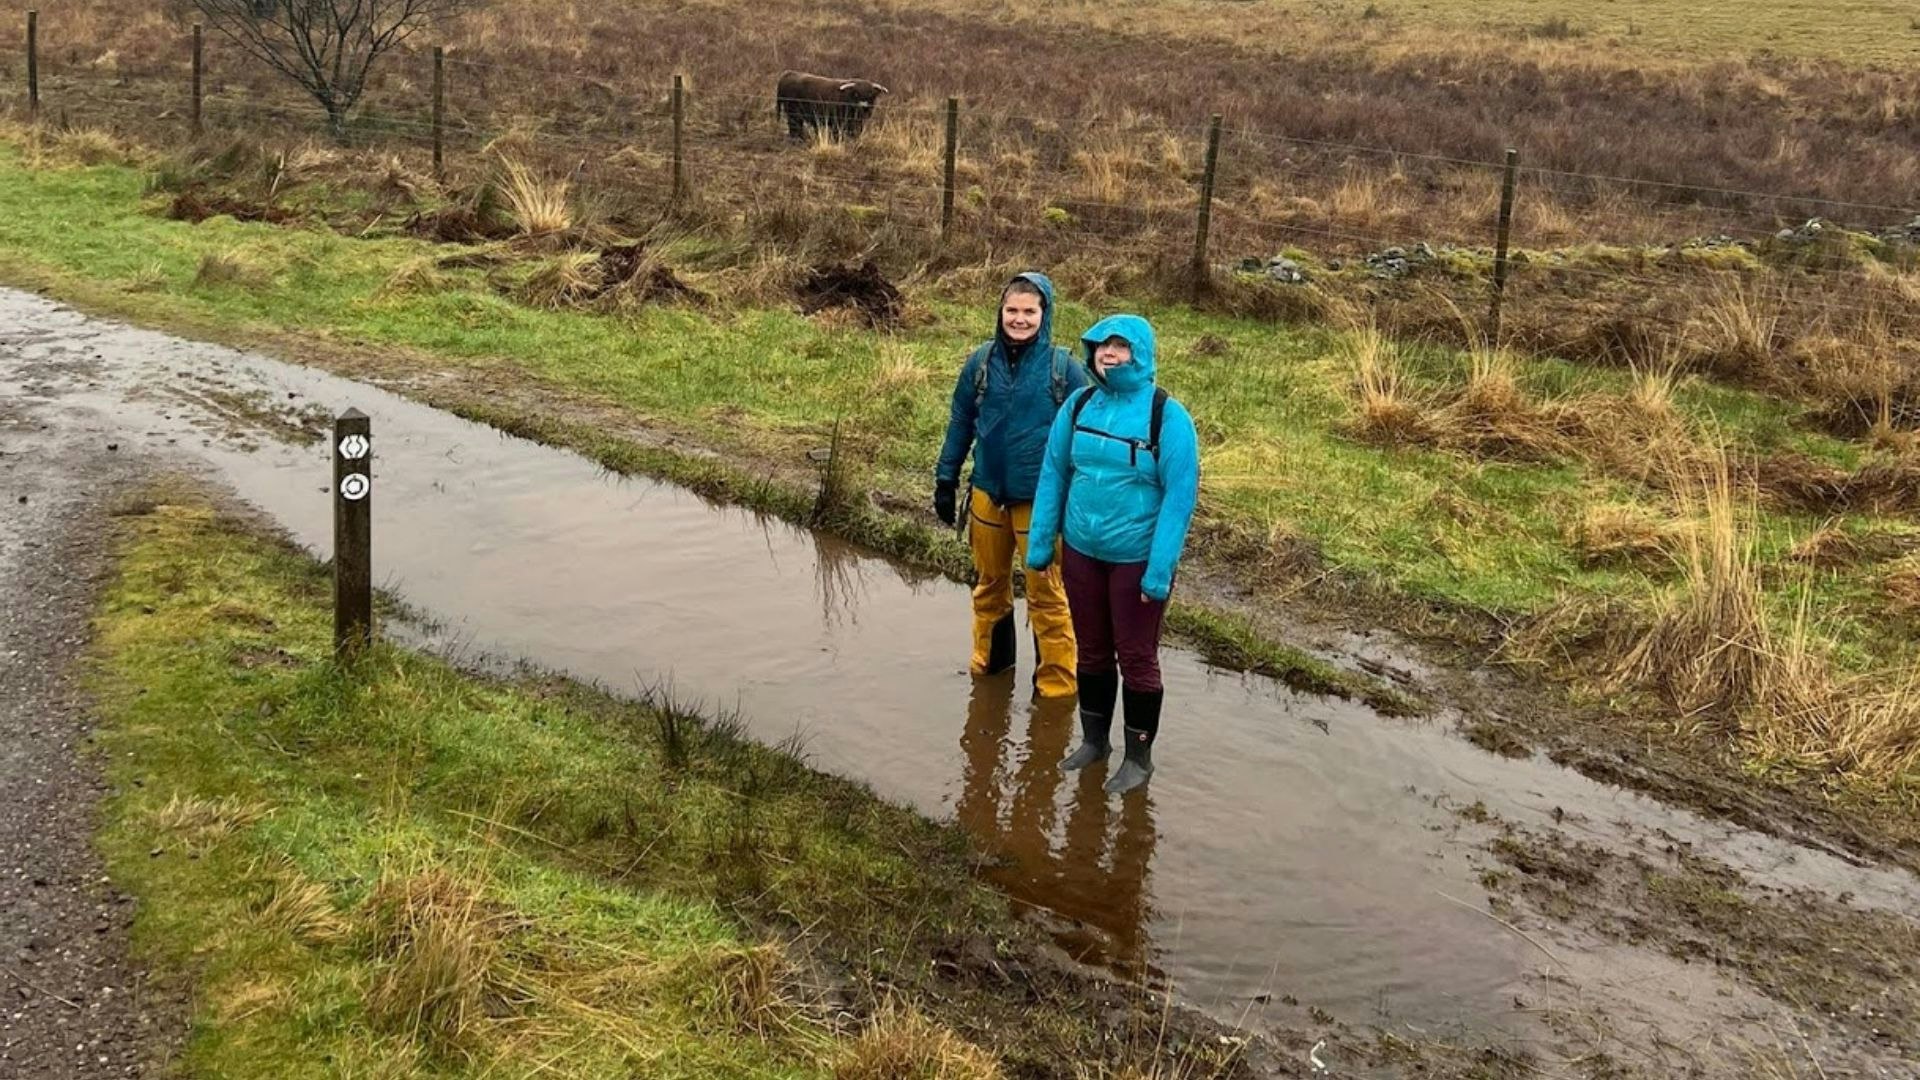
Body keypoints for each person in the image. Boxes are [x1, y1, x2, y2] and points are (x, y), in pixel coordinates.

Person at [1026, 315, 1200, 795]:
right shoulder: (1079, 405)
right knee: (1093, 649)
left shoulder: (1167, 416)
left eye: (1120, 346)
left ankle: (1139, 758)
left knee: (1136, 657)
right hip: (1082, 552)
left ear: (1140, 353)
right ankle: (1095, 742)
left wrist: (1158, 572)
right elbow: (1054, 471)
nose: (1109, 353)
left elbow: (1179, 497)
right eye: (1102, 345)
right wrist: (1042, 541)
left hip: (1136, 561)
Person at [934, 273, 1089, 699]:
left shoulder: (1065, 370)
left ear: (1045, 314)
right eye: (1012, 311)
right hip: (987, 494)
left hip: (1040, 503)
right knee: (988, 586)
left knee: (1047, 596)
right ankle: (990, 672)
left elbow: (1086, 440)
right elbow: (961, 421)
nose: (1019, 320)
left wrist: (1077, 503)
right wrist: (946, 478)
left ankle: (1056, 691)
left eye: (1029, 311)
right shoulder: (980, 364)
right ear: (1000, 313)